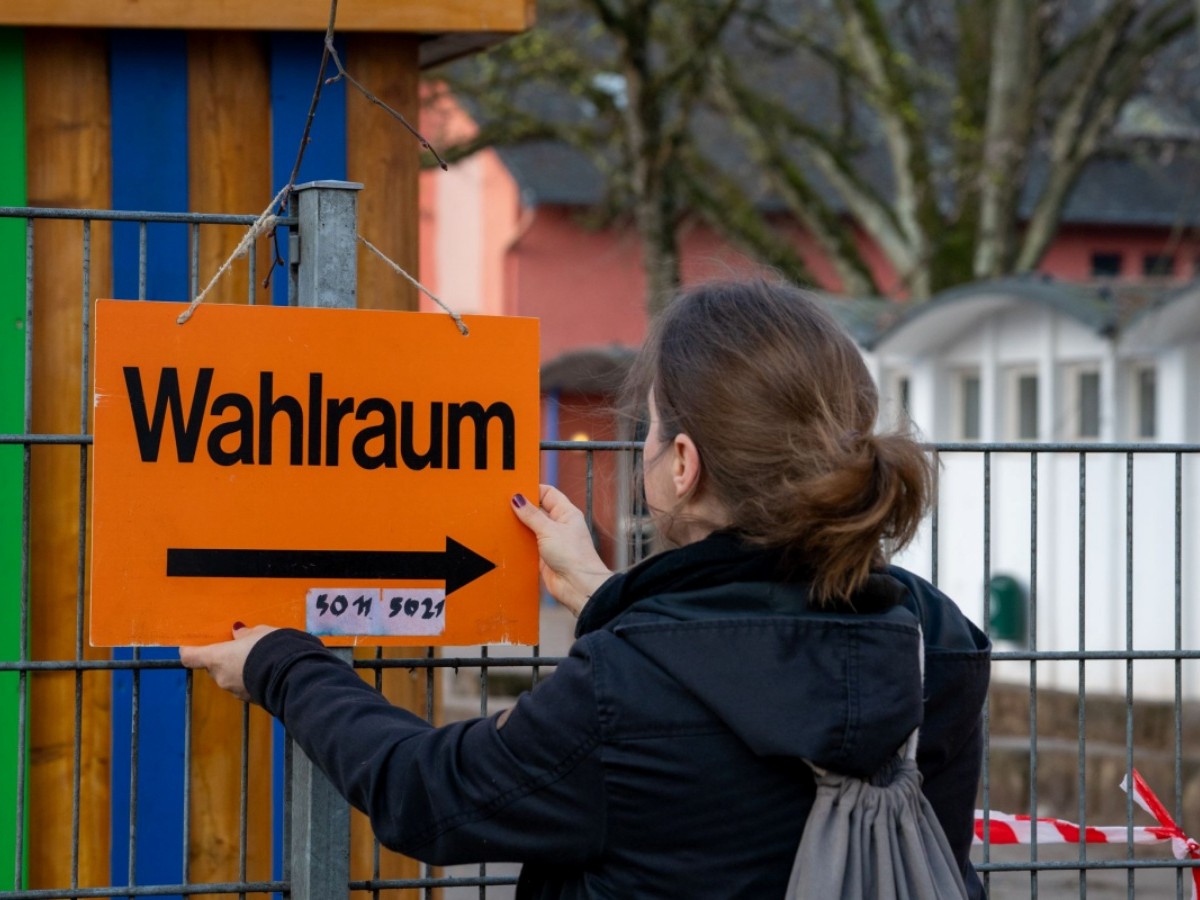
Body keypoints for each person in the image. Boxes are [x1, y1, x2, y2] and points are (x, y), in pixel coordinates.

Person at [182, 279, 991, 899]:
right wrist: (609, 596)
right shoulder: (937, 644)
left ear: (682, 463)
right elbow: (756, 657)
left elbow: (425, 794)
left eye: (645, 427)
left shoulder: (625, 688)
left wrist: (281, 665)